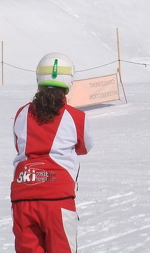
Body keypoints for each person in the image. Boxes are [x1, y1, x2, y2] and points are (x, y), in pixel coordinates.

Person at [11, 53, 94, 253]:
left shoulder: (22, 113)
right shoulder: (76, 117)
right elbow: (85, 147)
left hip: (23, 194)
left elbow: (19, 146)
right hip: (58, 196)